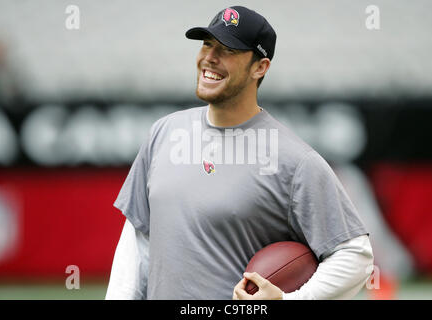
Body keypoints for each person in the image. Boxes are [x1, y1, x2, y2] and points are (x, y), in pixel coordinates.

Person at [106, 6, 374, 300]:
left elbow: (354, 255)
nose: (210, 57)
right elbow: (137, 242)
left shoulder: (295, 160)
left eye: (228, 49)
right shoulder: (163, 133)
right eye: (207, 44)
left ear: (260, 67)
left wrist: (289, 301)